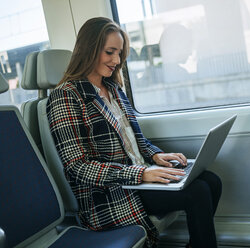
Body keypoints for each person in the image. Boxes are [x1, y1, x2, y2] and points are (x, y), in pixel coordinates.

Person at [47, 17, 222, 248]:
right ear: (89, 49)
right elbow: (78, 167)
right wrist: (140, 175)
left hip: (139, 175)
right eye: (110, 52)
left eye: (119, 53)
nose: (116, 60)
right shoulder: (66, 96)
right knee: (197, 191)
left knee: (212, 180)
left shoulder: (113, 88)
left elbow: (135, 140)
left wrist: (156, 156)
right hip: (111, 192)